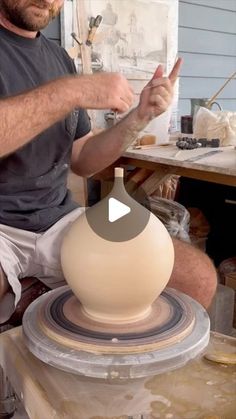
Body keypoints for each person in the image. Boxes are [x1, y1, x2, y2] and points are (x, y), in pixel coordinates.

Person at [0, 0, 217, 323]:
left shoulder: (58, 59)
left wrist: (141, 116)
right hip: (4, 228)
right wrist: (69, 92)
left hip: (58, 220)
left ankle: (116, 367)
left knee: (196, 275)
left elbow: (83, 160)